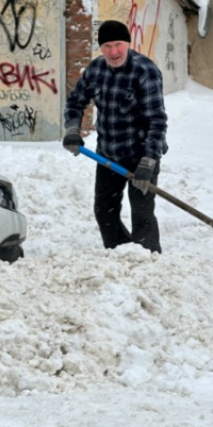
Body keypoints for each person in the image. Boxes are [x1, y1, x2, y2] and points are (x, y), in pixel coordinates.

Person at [63, 20, 168, 254]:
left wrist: (148, 162)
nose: (114, 52)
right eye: (107, 46)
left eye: (118, 44)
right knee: (104, 211)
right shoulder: (96, 69)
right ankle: (120, 255)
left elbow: (157, 121)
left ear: (128, 44)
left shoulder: (145, 71)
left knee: (141, 213)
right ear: (101, 48)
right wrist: (72, 130)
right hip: (108, 154)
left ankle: (149, 262)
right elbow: (76, 101)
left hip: (141, 154)